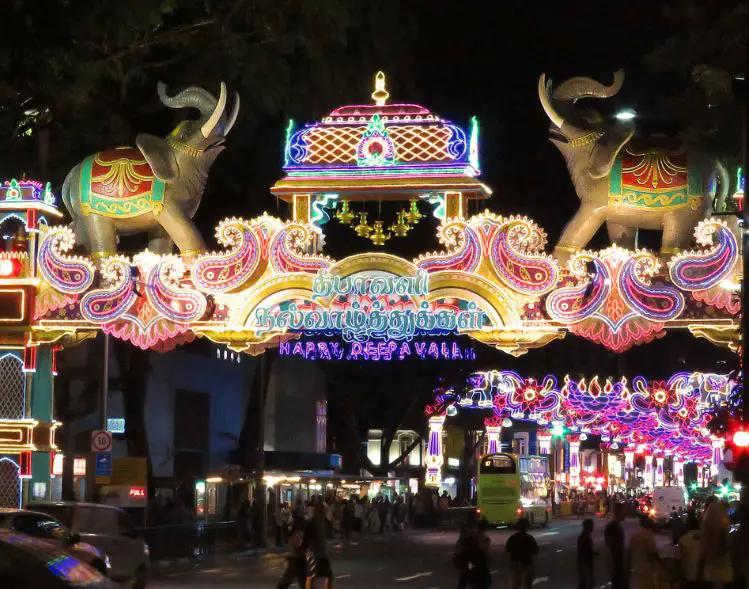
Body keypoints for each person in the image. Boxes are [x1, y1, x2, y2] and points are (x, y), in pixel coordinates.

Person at [454, 517, 491, 589]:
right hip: (479, 572)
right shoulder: (483, 543)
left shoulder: (466, 553)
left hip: (474, 571)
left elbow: (457, 561)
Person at [628, 515, 661, 589]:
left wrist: (628, 567)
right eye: (649, 521)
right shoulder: (648, 534)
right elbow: (653, 552)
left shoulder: (634, 535)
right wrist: (661, 563)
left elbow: (629, 551)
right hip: (647, 569)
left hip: (637, 568)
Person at [305, 502, 333, 589]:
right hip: (313, 554)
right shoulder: (312, 522)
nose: (326, 511)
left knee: (328, 575)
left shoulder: (324, 521)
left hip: (321, 553)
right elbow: (307, 537)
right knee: (311, 576)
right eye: (325, 509)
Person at [505, 518, 538, 589]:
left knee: (516, 581)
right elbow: (535, 551)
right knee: (528, 581)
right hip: (527, 563)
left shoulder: (512, 538)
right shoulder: (529, 538)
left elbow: (507, 550)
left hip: (514, 562)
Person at [276, 518, 308, 589]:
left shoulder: (298, 529)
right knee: (303, 582)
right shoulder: (299, 528)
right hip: (296, 559)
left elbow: (297, 543)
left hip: (298, 559)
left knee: (304, 583)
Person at [604, 503, 627, 589]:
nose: (625, 514)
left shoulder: (617, 526)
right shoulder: (611, 527)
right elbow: (608, 547)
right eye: (624, 511)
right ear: (618, 512)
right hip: (616, 564)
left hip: (619, 563)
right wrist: (610, 564)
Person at [577, 519, 595, 589]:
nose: (593, 527)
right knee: (586, 583)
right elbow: (583, 552)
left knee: (584, 582)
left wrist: (593, 552)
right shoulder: (584, 537)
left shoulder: (586, 536)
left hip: (585, 563)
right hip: (585, 564)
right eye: (592, 525)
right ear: (588, 526)